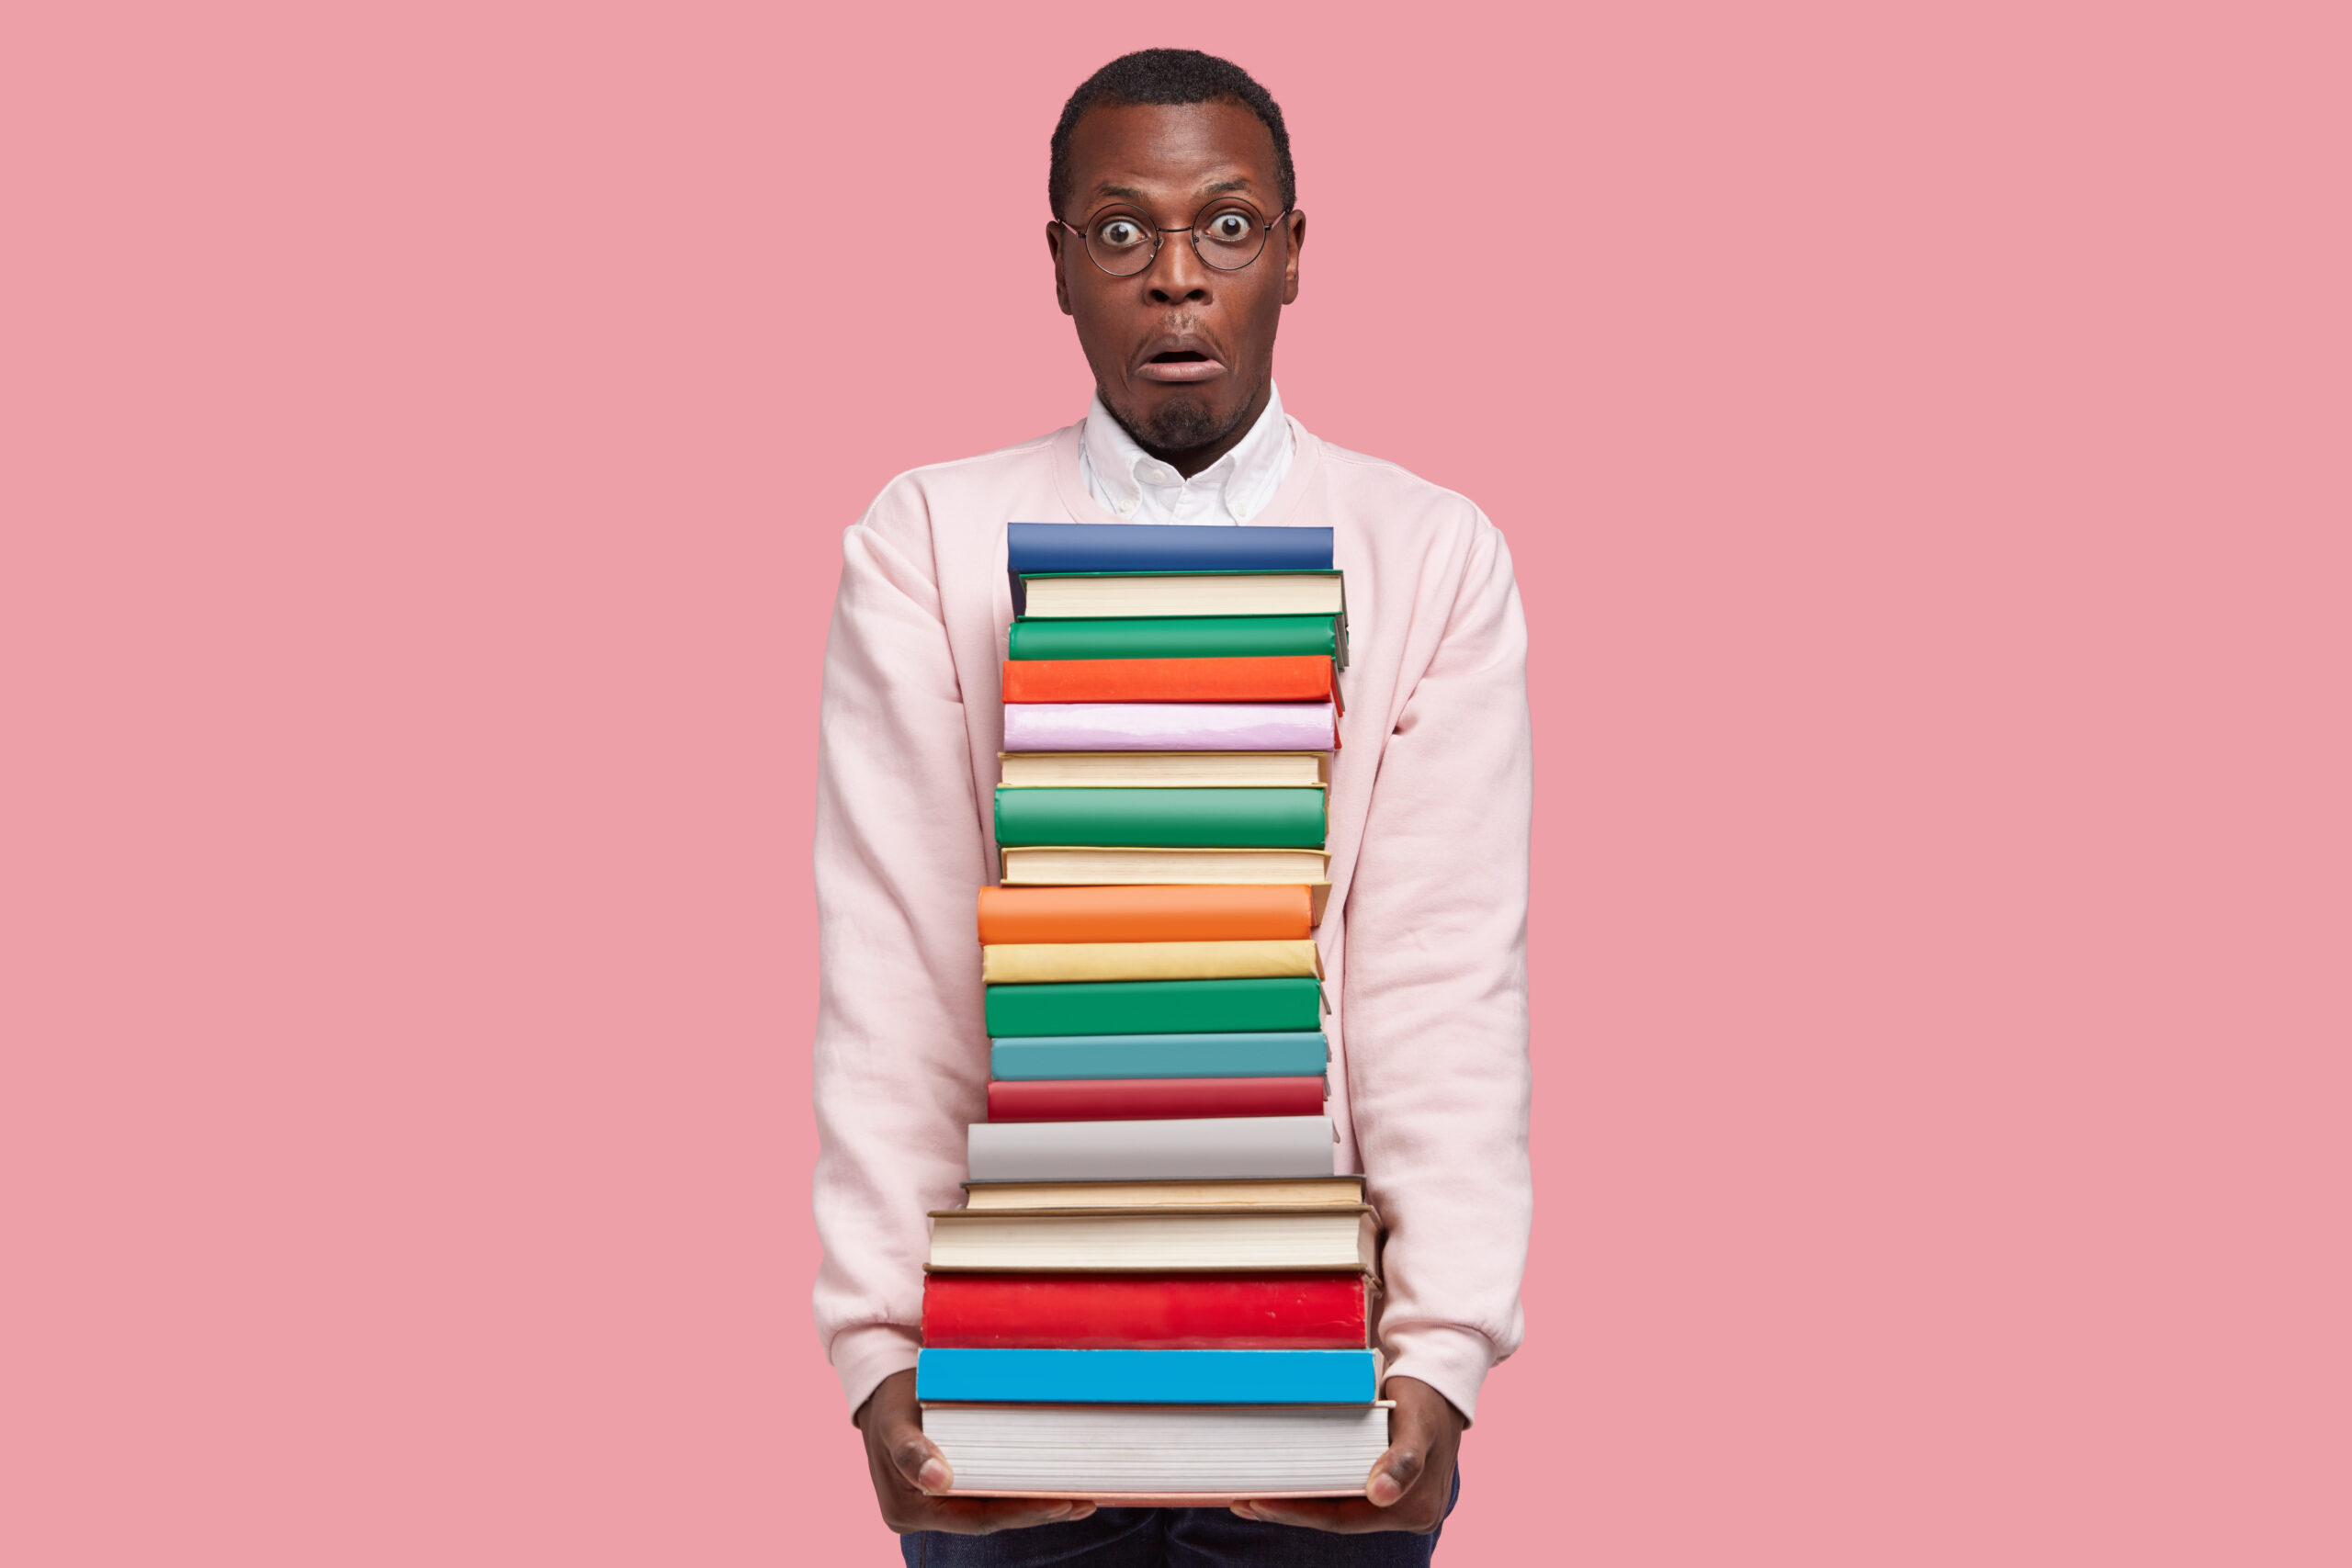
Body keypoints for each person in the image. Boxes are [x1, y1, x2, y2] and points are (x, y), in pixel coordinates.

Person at [812, 49, 1532, 1565]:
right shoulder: (926, 542)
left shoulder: (1431, 552)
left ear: (1293, 254)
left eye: (1228, 227)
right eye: (1122, 233)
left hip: (1326, 1371)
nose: (1178, 282)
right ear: (1060, 264)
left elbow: (1440, 975)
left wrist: (1443, 1357)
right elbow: (901, 969)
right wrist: (879, 1346)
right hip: (1002, 1376)